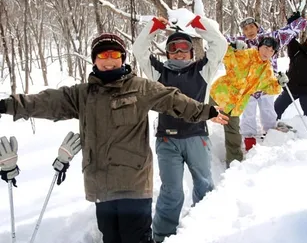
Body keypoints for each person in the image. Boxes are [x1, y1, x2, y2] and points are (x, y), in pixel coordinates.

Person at [0, 33, 229, 243]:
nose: (109, 60)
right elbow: (46, 102)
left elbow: (173, 100)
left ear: (122, 58)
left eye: (114, 55)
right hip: (101, 186)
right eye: (103, 55)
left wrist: (206, 111)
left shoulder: (140, 88)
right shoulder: (83, 94)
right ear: (94, 59)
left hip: (134, 186)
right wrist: (7, 105)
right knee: (110, 238)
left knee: (136, 238)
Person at [133, 14, 227, 243]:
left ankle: (204, 231)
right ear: (167, 53)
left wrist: (198, 23)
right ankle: (162, 236)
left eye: (184, 48)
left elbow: (220, 44)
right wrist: (154, 27)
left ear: (192, 51)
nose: (179, 52)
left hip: (197, 136)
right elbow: (139, 51)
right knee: (172, 191)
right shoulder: (158, 73)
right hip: (168, 140)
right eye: (173, 48)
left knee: (204, 186)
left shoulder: (202, 70)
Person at [229, 4, 307, 153]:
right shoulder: (240, 43)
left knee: (268, 112)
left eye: (251, 27)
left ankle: (271, 137)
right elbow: (221, 41)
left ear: (257, 27)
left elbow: (289, 30)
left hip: (267, 84)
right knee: (248, 114)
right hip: (247, 87)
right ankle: (249, 140)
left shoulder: (271, 39)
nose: (249, 31)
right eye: (245, 29)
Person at [210, 37, 286, 167]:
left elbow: (269, 87)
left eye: (272, 51)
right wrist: (232, 46)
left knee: (234, 137)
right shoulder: (245, 54)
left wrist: (279, 83)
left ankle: (235, 166)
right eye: (266, 48)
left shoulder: (266, 70)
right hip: (218, 96)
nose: (267, 53)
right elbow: (225, 55)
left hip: (235, 107)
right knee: (196, 116)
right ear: (259, 46)